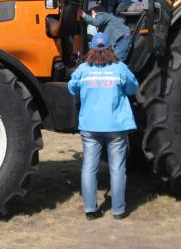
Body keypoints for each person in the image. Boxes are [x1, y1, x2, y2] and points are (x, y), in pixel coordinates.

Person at [68, 32, 139, 220]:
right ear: (110, 48)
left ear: (92, 48)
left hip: (90, 126)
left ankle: (91, 210)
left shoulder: (83, 69)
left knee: (89, 168)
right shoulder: (120, 68)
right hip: (116, 127)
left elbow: (71, 88)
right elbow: (133, 88)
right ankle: (118, 210)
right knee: (117, 168)